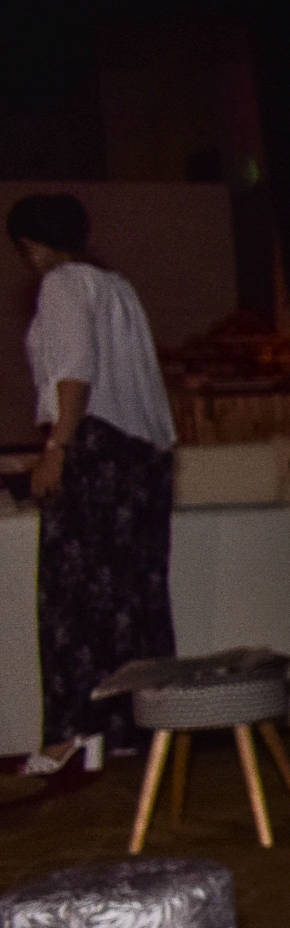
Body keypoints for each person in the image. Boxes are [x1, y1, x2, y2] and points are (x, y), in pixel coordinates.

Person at [11, 191, 176, 774]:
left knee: (72, 599)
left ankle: (70, 731)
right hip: (140, 458)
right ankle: (132, 728)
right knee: (133, 596)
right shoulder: (116, 287)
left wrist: (56, 448)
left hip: (93, 449)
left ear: (30, 246)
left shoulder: (61, 286)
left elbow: (74, 373)